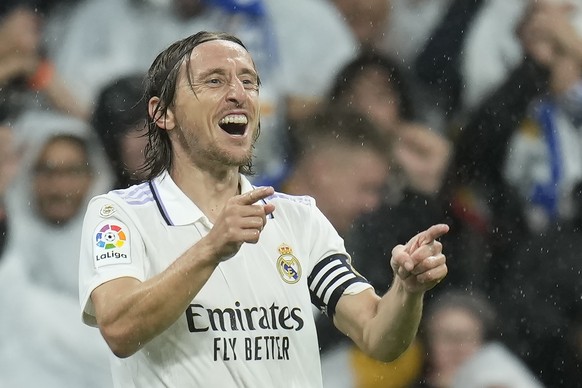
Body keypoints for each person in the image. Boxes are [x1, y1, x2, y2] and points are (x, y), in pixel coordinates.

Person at [78, 31, 450, 387]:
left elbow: (376, 335)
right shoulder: (121, 215)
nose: (238, 94)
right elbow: (120, 329)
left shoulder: (297, 219)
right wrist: (212, 247)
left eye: (249, 81)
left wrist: (406, 291)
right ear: (163, 113)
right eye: (214, 81)